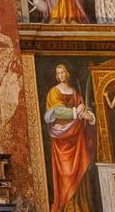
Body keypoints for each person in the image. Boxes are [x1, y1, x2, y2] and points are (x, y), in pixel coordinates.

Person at [43, 63, 95, 212]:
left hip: (77, 137)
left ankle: (79, 205)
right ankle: (66, 207)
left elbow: (83, 107)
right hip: (62, 137)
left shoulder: (74, 92)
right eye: (58, 73)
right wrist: (75, 112)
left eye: (63, 72)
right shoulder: (54, 92)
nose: (61, 75)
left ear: (67, 74)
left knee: (79, 170)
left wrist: (88, 116)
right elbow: (57, 111)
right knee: (65, 174)